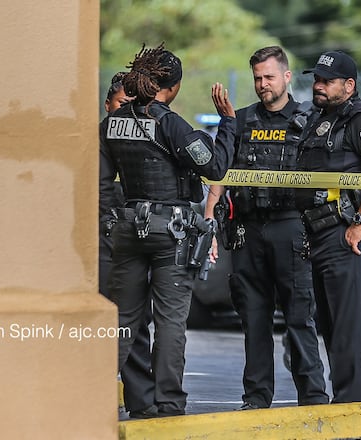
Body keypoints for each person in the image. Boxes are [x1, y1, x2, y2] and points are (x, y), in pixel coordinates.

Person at [100, 43, 235, 418]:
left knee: (123, 318)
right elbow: (215, 167)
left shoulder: (111, 122)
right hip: (170, 233)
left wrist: (112, 221)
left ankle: (89, 393)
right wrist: (228, 123)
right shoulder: (169, 122)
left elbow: (100, 181)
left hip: (126, 228)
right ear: (171, 87)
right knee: (170, 320)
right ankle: (169, 404)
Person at [203, 46, 328, 410]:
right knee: (254, 319)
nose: (262, 84)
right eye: (257, 78)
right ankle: (256, 398)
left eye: (269, 77)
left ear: (287, 77)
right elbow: (221, 173)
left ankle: (314, 398)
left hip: (291, 228)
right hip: (248, 231)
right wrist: (211, 216)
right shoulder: (240, 121)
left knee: (299, 318)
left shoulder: (310, 119)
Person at [296, 50, 361, 403]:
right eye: (316, 80)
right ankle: (344, 405)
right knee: (333, 326)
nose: (318, 86)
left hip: (348, 234)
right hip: (319, 232)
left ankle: (354, 405)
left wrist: (360, 222)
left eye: (327, 81)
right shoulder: (318, 117)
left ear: (349, 85)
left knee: (350, 328)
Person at [98, 72, 157, 419]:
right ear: (108, 106)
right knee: (112, 316)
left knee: (137, 318)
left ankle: (141, 400)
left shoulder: (144, 138)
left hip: (133, 236)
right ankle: (98, 391)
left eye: (134, 105)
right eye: (122, 105)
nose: (127, 114)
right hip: (104, 236)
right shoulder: (102, 136)